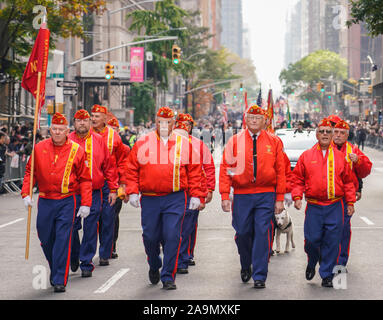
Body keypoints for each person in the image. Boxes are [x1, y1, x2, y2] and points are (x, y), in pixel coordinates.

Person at [125, 106, 203, 290]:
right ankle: (154, 264)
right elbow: (131, 169)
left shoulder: (184, 144)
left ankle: (168, 275)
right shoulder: (143, 143)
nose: (164, 125)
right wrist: (133, 191)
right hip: (150, 198)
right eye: (161, 122)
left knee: (173, 235)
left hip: (175, 198)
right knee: (150, 236)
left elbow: (194, 171)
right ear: (155, 122)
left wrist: (196, 195)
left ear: (174, 124)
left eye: (168, 122)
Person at [21, 113, 92, 293]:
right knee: (45, 238)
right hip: (45, 199)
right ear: (50, 130)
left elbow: (85, 179)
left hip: (67, 200)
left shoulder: (77, 150)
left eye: (61, 129)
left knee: (62, 239)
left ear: (67, 131)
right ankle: (56, 264)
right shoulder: (39, 148)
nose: (58, 132)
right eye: (55, 129)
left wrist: (85, 203)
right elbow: (30, 172)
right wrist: (26, 193)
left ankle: (60, 278)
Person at [219, 104, 286, 289]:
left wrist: (280, 197)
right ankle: (245, 262)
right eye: (251, 118)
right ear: (245, 120)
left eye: (258, 118)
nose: (254, 121)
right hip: (242, 194)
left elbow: (281, 171)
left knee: (263, 233)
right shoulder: (234, 141)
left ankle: (259, 275)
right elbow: (226, 169)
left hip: (266, 194)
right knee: (242, 233)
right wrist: (225, 194)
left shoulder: (274, 142)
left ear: (265, 121)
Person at [292, 118, 356, 288]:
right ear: (317, 134)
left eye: (329, 131)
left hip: (335, 206)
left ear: (333, 135)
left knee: (332, 241)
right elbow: (297, 178)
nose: (326, 134)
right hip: (314, 207)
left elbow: (349, 182)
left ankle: (327, 274)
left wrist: (350, 202)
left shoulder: (340, 157)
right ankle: (312, 260)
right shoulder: (306, 156)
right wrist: (297, 197)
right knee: (312, 240)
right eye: (322, 131)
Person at [68, 110, 119, 277]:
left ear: (90, 122)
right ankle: (74, 254)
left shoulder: (98, 140)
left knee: (91, 227)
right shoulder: (67, 140)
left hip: (95, 191)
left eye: (85, 120)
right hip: (73, 192)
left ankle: (86, 262)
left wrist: (113, 189)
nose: (82, 123)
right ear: (74, 123)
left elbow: (109, 166)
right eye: (79, 121)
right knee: (72, 226)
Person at [173, 113, 215, 273]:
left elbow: (209, 168)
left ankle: (186, 255)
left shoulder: (198, 145)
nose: (184, 127)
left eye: (187, 124)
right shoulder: (167, 144)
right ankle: (174, 254)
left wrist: (209, 189)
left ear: (191, 127)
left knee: (189, 225)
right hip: (173, 191)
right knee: (172, 226)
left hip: (193, 191)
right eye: (180, 124)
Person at [91, 105, 129, 265]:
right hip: (90, 182)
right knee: (90, 220)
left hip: (110, 183)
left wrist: (123, 185)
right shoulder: (86, 134)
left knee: (110, 217)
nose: (93, 119)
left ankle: (107, 250)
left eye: (97, 116)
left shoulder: (115, 137)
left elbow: (123, 162)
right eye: (91, 116)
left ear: (105, 118)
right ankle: (82, 253)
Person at [332, 119, 372, 269]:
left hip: (345, 198)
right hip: (327, 198)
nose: (338, 136)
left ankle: (340, 263)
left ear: (347, 135)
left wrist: (358, 161)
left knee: (343, 229)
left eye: (342, 133)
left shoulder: (353, 150)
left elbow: (364, 171)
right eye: (336, 132)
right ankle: (327, 257)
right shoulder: (324, 148)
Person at [107, 117, 130, 259]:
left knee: (113, 216)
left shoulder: (124, 146)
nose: (113, 131)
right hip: (101, 185)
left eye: (115, 129)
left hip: (117, 186)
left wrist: (125, 186)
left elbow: (127, 168)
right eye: (110, 129)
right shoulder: (98, 143)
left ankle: (111, 246)